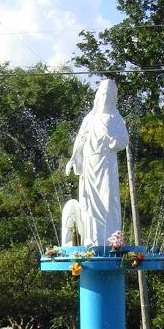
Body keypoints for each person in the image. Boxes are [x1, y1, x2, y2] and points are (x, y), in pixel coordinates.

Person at [61, 79, 128, 247]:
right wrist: (73, 159)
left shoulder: (115, 117)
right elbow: (80, 139)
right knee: (89, 202)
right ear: (98, 96)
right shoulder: (90, 118)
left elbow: (123, 140)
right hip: (89, 164)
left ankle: (111, 240)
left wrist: (113, 141)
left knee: (108, 198)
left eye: (109, 95)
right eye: (103, 94)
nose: (105, 98)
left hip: (106, 163)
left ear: (113, 98)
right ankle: (92, 239)